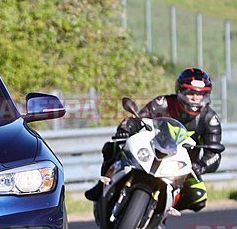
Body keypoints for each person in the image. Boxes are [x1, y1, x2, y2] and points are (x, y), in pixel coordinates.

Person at [84, 68, 223, 212]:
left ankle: (161, 212)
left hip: (184, 166)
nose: (195, 98)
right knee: (112, 147)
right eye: (190, 93)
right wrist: (124, 131)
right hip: (153, 150)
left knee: (198, 198)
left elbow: (215, 153)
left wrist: (201, 165)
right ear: (180, 91)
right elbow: (137, 119)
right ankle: (101, 186)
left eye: (200, 94)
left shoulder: (210, 119)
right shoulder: (163, 103)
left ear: (206, 95)